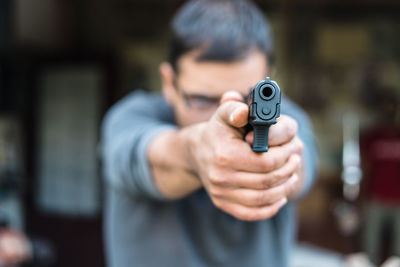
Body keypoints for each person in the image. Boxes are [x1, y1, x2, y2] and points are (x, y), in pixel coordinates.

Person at [101, 0, 317, 266]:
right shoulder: (131, 118)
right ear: (169, 82)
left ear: (268, 81)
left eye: (249, 96)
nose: (224, 111)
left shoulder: (289, 118)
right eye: (203, 100)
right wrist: (194, 153)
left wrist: (281, 164)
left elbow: (299, 167)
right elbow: (152, 157)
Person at [361, 89, 400, 265]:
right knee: (370, 247)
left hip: (398, 200)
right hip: (375, 198)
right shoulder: (371, 136)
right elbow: (364, 167)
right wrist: (361, 197)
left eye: (392, 106)